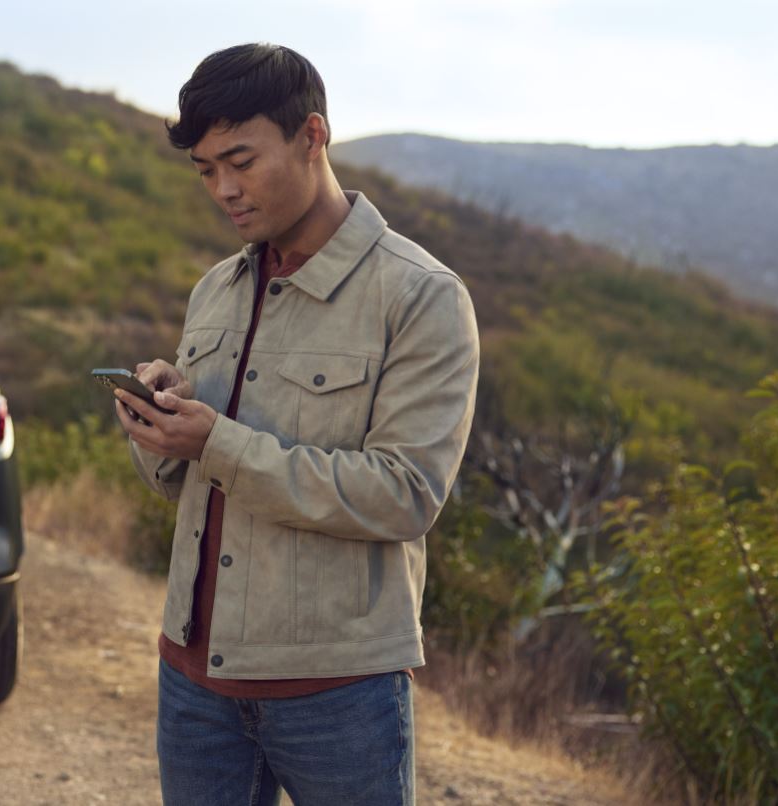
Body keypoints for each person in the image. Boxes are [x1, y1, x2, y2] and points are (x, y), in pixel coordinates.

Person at [112, 43, 479, 805]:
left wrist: (215, 441)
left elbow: (404, 495)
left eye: (240, 161)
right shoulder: (215, 290)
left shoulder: (419, 295)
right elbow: (181, 485)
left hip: (337, 691)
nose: (223, 189)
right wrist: (161, 421)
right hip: (193, 680)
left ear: (312, 136)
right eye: (205, 170)